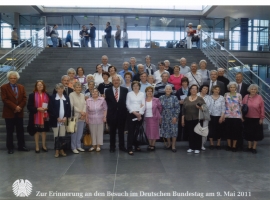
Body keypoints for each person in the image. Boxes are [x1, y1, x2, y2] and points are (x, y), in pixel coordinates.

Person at [1, 71, 29, 154]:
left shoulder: (21, 87)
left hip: (19, 113)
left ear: (17, 78)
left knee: (20, 130)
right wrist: (15, 107)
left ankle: (21, 146)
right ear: (8, 79)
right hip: (9, 113)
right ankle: (10, 147)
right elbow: (5, 99)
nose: (13, 80)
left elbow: (24, 98)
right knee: (10, 131)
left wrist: (19, 107)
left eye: (14, 78)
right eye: (11, 78)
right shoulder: (4, 87)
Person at [105, 76, 128, 153]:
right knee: (112, 132)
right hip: (112, 114)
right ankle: (112, 147)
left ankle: (122, 146)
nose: (116, 81)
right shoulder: (107, 91)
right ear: (112, 81)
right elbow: (107, 102)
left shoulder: (125, 90)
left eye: (117, 80)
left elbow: (126, 102)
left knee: (121, 132)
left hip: (122, 114)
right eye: (114, 80)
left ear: (119, 81)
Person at [48, 83, 71, 158]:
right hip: (55, 120)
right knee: (56, 135)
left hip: (64, 120)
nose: (60, 90)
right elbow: (51, 109)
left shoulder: (66, 97)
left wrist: (65, 117)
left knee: (62, 136)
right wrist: (57, 117)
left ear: (63, 89)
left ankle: (61, 149)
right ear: (56, 89)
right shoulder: (52, 97)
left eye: (61, 88)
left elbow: (68, 109)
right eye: (58, 88)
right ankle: (57, 150)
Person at [27, 81, 50, 153]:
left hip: (44, 116)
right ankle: (37, 146)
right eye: (38, 85)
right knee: (36, 131)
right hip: (35, 116)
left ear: (43, 86)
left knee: (43, 132)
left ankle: (44, 146)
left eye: (41, 85)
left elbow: (50, 105)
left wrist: (47, 108)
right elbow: (29, 106)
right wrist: (37, 109)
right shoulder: (32, 95)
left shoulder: (47, 95)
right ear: (36, 86)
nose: (40, 86)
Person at [182, 84, 206, 154]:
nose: (194, 90)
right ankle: (191, 147)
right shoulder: (186, 98)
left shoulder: (200, 98)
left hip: (197, 118)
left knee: (197, 133)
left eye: (195, 89)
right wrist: (182, 119)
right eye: (192, 88)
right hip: (188, 118)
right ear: (190, 90)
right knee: (190, 133)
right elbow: (183, 110)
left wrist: (200, 108)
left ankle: (197, 147)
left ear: (197, 90)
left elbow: (205, 109)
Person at [243, 84, 265, 154]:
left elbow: (262, 108)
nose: (253, 90)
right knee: (248, 133)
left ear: (257, 90)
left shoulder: (259, 97)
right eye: (252, 89)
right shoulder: (246, 97)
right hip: (247, 118)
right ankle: (249, 146)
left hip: (256, 119)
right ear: (249, 90)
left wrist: (261, 118)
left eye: (254, 89)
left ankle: (254, 147)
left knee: (256, 134)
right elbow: (242, 107)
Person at [126, 81, 145, 155]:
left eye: (137, 85)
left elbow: (143, 104)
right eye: (134, 86)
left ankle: (136, 145)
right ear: (132, 87)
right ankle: (129, 147)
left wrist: (140, 113)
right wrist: (135, 113)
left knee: (138, 131)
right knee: (131, 131)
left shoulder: (142, 94)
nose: (136, 87)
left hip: (140, 114)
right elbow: (127, 104)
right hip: (131, 114)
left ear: (139, 86)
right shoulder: (129, 94)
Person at [159, 85, 180, 152]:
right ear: (164, 90)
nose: (168, 90)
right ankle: (169, 144)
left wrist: (175, 117)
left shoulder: (175, 97)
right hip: (164, 116)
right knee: (166, 131)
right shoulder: (161, 97)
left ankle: (173, 146)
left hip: (173, 116)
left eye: (169, 89)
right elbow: (159, 108)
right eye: (167, 89)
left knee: (174, 131)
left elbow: (177, 108)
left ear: (171, 90)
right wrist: (160, 117)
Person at [224, 82, 243, 152]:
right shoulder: (226, 94)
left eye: (233, 87)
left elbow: (241, 106)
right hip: (227, 115)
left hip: (236, 116)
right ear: (229, 88)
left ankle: (234, 146)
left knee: (236, 131)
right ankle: (229, 145)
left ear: (236, 88)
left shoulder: (239, 95)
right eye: (231, 87)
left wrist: (241, 116)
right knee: (228, 131)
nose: (232, 88)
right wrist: (223, 115)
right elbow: (224, 105)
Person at [69, 82, 86, 154]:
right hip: (73, 117)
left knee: (80, 132)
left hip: (82, 117)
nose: (79, 88)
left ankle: (78, 146)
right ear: (74, 88)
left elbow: (85, 104)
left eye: (80, 87)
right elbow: (72, 106)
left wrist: (83, 113)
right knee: (74, 132)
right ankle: (73, 147)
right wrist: (80, 111)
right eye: (77, 87)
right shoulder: (71, 95)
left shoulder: (82, 95)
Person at [144, 86, 162, 151]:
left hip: (154, 118)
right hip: (146, 118)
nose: (149, 92)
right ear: (146, 92)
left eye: (151, 91)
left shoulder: (156, 99)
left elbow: (160, 108)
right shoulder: (143, 100)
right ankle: (149, 144)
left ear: (152, 92)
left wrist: (157, 114)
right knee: (148, 131)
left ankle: (153, 145)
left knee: (154, 132)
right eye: (148, 91)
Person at [235, 72, 249, 150]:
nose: (238, 78)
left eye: (239, 77)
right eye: (237, 77)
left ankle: (240, 145)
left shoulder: (246, 86)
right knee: (235, 128)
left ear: (242, 77)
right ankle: (234, 145)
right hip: (233, 111)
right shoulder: (232, 86)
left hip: (242, 110)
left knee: (241, 128)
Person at [208, 85, 225, 150]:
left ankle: (218, 143)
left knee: (219, 130)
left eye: (218, 90)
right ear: (213, 90)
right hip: (210, 116)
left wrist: (222, 117)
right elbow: (207, 107)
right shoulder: (209, 97)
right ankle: (211, 143)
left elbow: (223, 108)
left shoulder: (222, 98)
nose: (217, 91)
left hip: (219, 116)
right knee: (211, 130)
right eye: (215, 89)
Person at [197, 84, 211, 150]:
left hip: (205, 116)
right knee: (197, 130)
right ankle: (195, 144)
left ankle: (202, 144)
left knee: (204, 130)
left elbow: (209, 107)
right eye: (204, 88)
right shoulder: (196, 95)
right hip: (196, 115)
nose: (205, 90)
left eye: (207, 89)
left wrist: (204, 114)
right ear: (201, 89)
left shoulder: (209, 97)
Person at [175, 77, 189, 141]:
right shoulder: (179, 90)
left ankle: (186, 138)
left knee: (187, 123)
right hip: (181, 108)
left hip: (189, 109)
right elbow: (176, 100)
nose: (184, 83)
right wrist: (179, 102)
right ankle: (179, 138)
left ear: (187, 83)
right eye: (183, 82)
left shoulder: (191, 90)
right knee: (180, 123)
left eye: (185, 82)